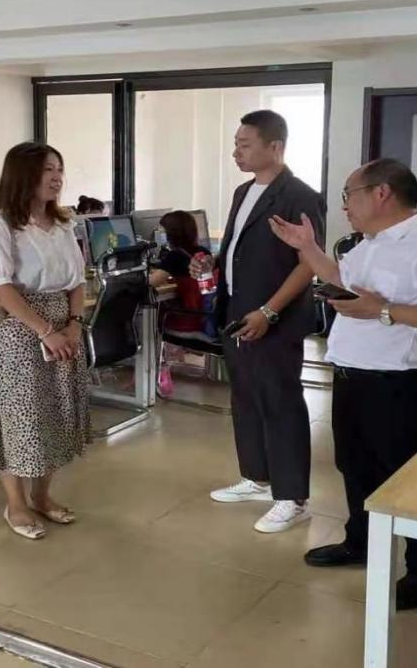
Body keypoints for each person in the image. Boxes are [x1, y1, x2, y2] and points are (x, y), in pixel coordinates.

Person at [269, 158, 417, 610]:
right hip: (350, 376)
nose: (345, 205)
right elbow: (341, 280)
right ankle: (359, 542)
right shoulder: (370, 243)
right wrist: (307, 247)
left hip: (395, 384)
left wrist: (383, 311)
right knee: (354, 467)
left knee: (406, 481)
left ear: (381, 193)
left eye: (349, 195)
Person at [193, 109, 326, 535]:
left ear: (275, 147)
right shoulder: (243, 191)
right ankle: (257, 477)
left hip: (274, 316)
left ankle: (292, 498)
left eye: (245, 145)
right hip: (237, 310)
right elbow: (239, 248)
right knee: (246, 398)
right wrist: (211, 264)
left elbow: (309, 263)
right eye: (235, 144)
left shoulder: (300, 196)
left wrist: (269, 311)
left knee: (280, 402)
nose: (236, 152)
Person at [0, 143, 91, 540]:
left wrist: (74, 323)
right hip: (22, 329)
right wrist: (45, 330)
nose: (57, 177)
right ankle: (16, 503)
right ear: (23, 174)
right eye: (47, 170)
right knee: (20, 418)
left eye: (59, 169)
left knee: (56, 412)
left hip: (63, 324)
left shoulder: (63, 224)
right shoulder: (0, 225)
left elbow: (78, 280)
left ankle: (42, 496)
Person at [149, 210, 216, 397]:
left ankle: (149, 369)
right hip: (206, 318)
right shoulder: (204, 253)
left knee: (148, 314)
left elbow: (151, 283)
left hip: (187, 322)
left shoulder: (175, 257)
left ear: (171, 234)